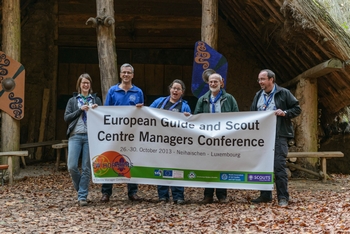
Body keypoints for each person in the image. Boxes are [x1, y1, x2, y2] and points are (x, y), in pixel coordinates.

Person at [250, 69, 301, 207]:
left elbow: (297, 108)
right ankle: (265, 195)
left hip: (279, 135)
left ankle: (283, 197)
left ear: (271, 80)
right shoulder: (258, 95)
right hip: (262, 137)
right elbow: (252, 113)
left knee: (279, 166)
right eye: (259, 79)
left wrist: (284, 112)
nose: (260, 82)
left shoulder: (283, 93)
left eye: (263, 79)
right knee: (262, 167)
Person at [100, 63, 144, 203]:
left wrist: (140, 108)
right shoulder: (113, 91)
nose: (126, 75)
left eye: (128, 73)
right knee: (110, 159)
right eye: (124, 72)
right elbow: (107, 112)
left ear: (132, 75)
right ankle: (106, 192)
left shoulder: (138, 92)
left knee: (131, 160)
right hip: (114, 133)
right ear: (120, 74)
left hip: (131, 133)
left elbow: (142, 113)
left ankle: (133, 192)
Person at [194, 73, 239, 204]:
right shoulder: (202, 99)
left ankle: (221, 195)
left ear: (221, 83)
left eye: (215, 82)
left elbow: (237, 116)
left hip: (223, 138)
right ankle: (207, 195)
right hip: (207, 138)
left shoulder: (229, 99)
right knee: (208, 165)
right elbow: (196, 116)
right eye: (210, 82)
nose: (213, 84)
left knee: (222, 165)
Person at [149, 79, 191, 205]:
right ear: (170, 89)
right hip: (160, 140)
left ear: (182, 92)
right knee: (161, 167)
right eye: (173, 88)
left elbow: (190, 123)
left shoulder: (184, 106)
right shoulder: (159, 102)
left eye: (178, 89)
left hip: (177, 142)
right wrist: (140, 108)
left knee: (177, 167)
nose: (175, 91)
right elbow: (147, 114)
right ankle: (163, 195)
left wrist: (188, 116)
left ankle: (178, 195)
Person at [64, 73, 102, 206]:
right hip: (75, 135)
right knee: (72, 166)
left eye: (88, 83)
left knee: (86, 167)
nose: (85, 85)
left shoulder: (96, 99)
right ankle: (81, 189)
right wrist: (80, 110)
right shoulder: (72, 101)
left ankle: (82, 196)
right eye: (83, 83)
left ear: (90, 85)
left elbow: (103, 118)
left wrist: (98, 111)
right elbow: (66, 118)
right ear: (79, 85)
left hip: (90, 137)